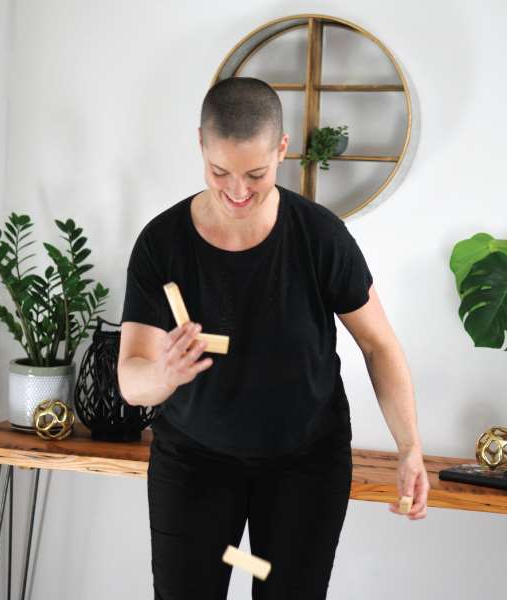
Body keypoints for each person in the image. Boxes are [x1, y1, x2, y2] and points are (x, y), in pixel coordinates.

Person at [117, 76, 429, 600]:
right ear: (200, 144)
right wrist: (164, 374)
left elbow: (378, 345)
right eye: (220, 172)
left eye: (256, 174)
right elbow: (131, 380)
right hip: (195, 462)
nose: (237, 191)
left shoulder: (320, 236)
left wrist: (410, 448)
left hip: (305, 461)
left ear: (282, 149)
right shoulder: (162, 243)